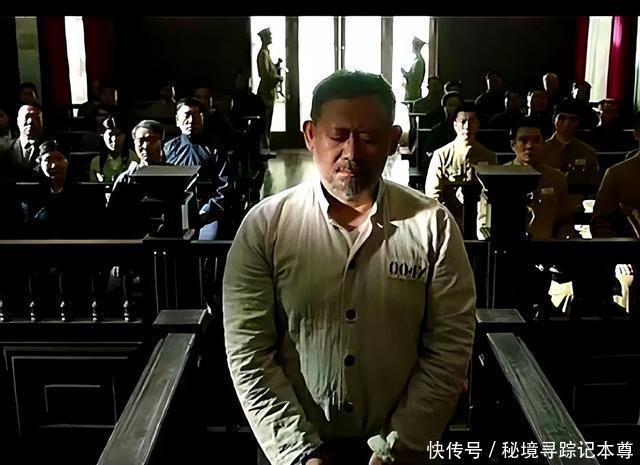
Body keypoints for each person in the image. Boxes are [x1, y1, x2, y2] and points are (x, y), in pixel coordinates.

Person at [223, 70, 476, 465]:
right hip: (293, 446)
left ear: (393, 141)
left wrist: (402, 442)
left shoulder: (433, 225)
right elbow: (249, 352)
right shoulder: (266, 226)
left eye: (369, 138)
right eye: (338, 136)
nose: (352, 153)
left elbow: (450, 345)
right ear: (311, 135)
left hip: (402, 448)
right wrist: (298, 452)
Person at [424, 101, 497, 237]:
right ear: (455, 125)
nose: (467, 127)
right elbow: (433, 194)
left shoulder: (488, 156)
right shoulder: (441, 155)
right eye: (463, 122)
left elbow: (493, 193)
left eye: (472, 122)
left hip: (480, 221)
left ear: (478, 124)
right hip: (450, 219)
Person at [1, 103, 45, 180]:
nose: (30, 121)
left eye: (36, 117)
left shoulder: (51, 149)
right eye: (27, 117)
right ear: (18, 121)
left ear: (42, 122)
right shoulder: (4, 150)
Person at [256, 27, 283, 151]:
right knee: (265, 122)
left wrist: (276, 67)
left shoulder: (266, 53)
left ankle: (265, 147)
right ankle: (264, 148)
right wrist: (278, 77)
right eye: (269, 35)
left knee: (267, 122)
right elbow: (265, 74)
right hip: (266, 93)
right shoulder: (263, 54)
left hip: (269, 92)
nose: (271, 37)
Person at [401, 36, 426, 102]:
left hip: (413, 94)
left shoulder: (419, 61)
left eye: (413, 45)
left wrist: (406, 75)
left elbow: (415, 80)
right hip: (411, 92)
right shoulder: (416, 60)